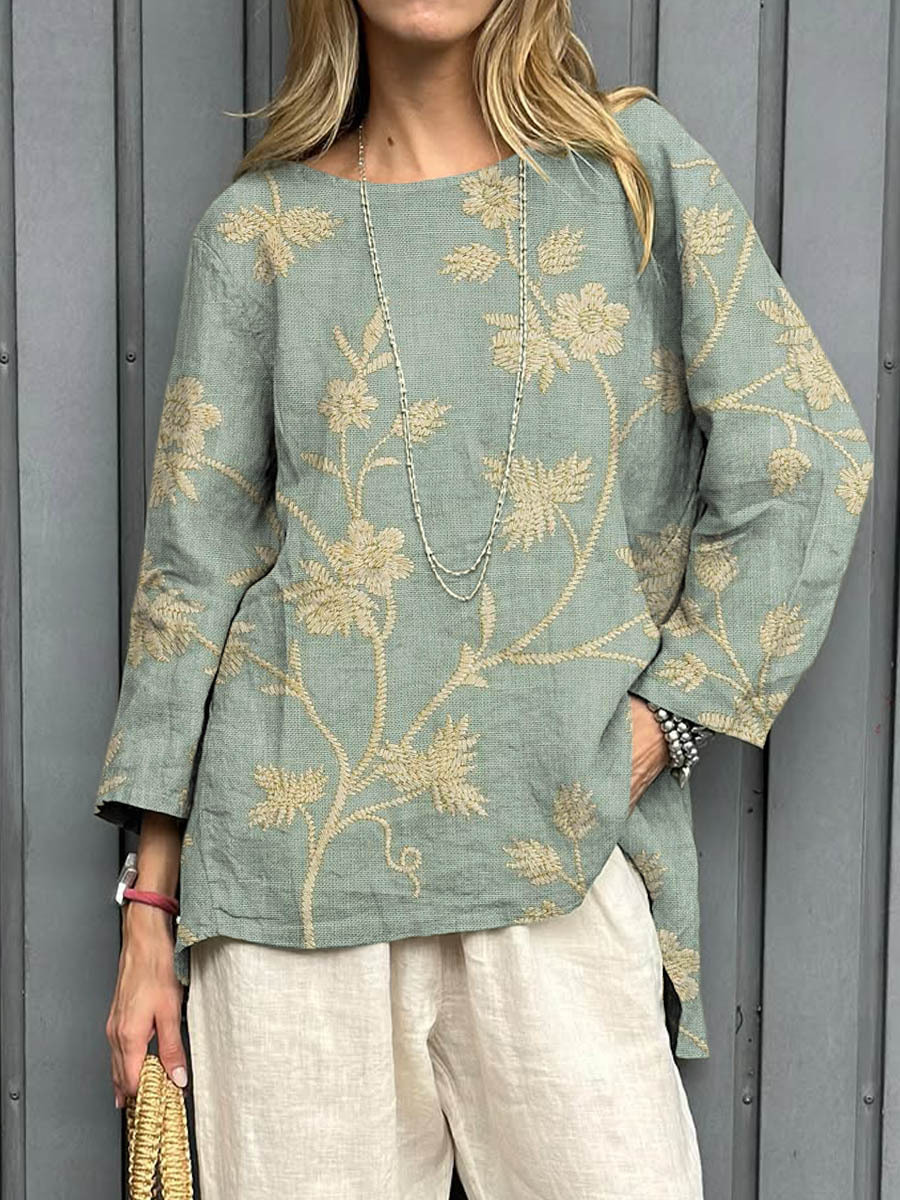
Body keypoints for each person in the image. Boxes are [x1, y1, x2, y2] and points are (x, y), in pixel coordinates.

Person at [95, 1, 873, 1196]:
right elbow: (189, 575)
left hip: (554, 860)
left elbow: (803, 457)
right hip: (287, 891)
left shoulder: (631, 177)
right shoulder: (257, 233)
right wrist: (149, 910)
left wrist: (663, 723)